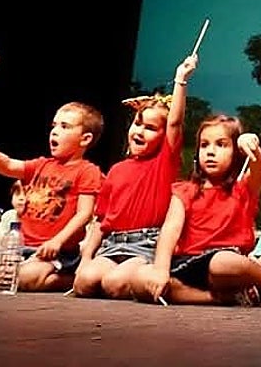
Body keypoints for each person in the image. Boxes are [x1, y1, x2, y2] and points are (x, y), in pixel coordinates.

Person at [135, 114, 261, 307]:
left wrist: (253, 149)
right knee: (140, 278)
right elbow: (170, 230)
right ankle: (218, 298)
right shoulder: (184, 190)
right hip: (188, 264)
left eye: (221, 145)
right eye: (204, 145)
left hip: (225, 266)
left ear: (237, 153)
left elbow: (260, 170)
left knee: (223, 262)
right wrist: (160, 270)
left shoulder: (243, 188)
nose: (210, 152)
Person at [73, 55, 194, 300]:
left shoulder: (164, 162)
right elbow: (101, 220)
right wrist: (85, 259)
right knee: (84, 282)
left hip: (145, 244)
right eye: (138, 124)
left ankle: (159, 282)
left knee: (114, 284)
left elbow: (175, 123)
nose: (140, 131)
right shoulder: (117, 170)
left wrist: (180, 80)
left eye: (150, 128)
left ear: (163, 136)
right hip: (113, 244)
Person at [0, 101, 104, 292]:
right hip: (23, 247)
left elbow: (84, 213)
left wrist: (57, 241)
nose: (54, 132)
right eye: (54, 126)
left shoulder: (87, 171)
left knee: (26, 279)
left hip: (58, 251)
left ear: (85, 139)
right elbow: (8, 165)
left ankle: (69, 279)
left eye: (65, 126)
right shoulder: (41, 165)